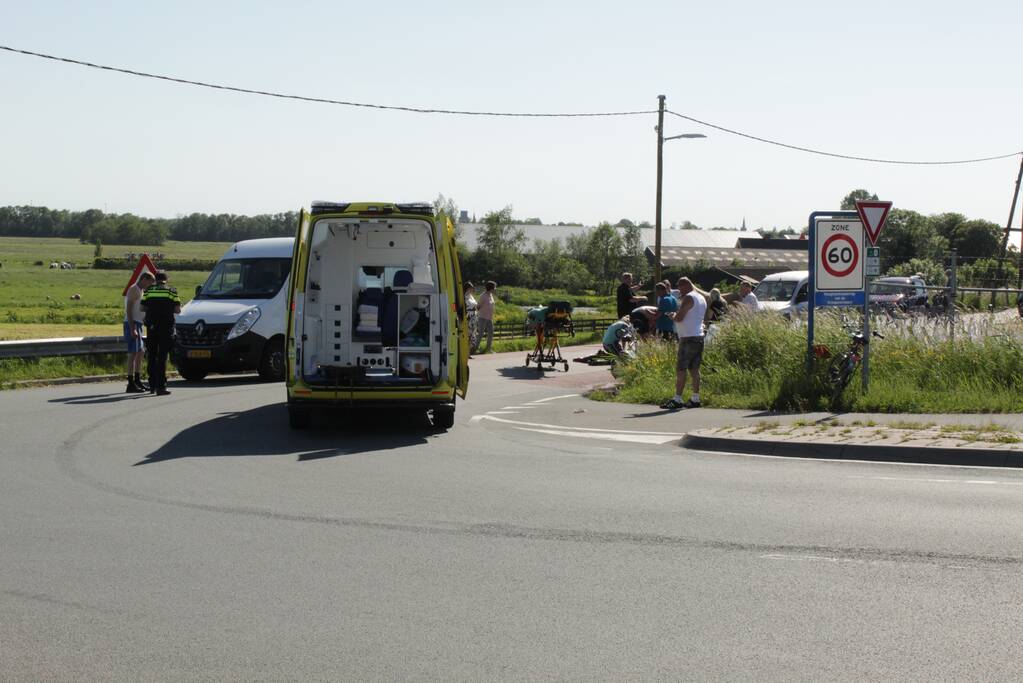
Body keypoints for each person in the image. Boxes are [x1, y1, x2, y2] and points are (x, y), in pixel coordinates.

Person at [661, 277, 707, 410]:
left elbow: (680, 318)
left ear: (685, 285)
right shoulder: (701, 298)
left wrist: (672, 316)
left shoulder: (688, 297)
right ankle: (695, 398)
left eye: (680, 287)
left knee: (681, 369)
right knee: (695, 369)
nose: (679, 290)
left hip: (687, 338)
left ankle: (677, 399)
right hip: (698, 336)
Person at [140, 270, 181, 396]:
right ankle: (161, 386)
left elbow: (142, 307)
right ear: (166, 280)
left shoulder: (148, 291)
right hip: (166, 327)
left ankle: (151, 384)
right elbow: (178, 310)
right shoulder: (171, 291)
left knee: (152, 355)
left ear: (156, 280)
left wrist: (152, 309)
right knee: (162, 357)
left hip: (152, 327)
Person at [123, 271, 154, 393]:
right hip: (133, 323)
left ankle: (137, 379)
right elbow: (129, 310)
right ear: (144, 279)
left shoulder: (140, 291)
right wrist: (132, 328)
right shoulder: (134, 290)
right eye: (149, 283)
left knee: (140, 352)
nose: (149, 286)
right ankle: (130, 382)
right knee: (133, 353)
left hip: (138, 324)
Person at [476, 280, 497, 354]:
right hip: (482, 317)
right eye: (494, 287)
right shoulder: (483, 296)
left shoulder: (491, 295)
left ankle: (488, 348)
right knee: (481, 333)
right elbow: (478, 306)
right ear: (491, 288)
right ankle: (475, 348)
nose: (495, 289)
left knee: (491, 333)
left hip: (489, 318)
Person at [464, 282, 479, 355]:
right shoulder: (464, 296)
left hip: (474, 316)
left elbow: (475, 305)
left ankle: (469, 351)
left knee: (473, 334)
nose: (472, 289)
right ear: (467, 288)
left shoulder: (471, 296)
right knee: (468, 334)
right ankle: (466, 352)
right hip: (468, 316)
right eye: (470, 288)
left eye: (472, 288)